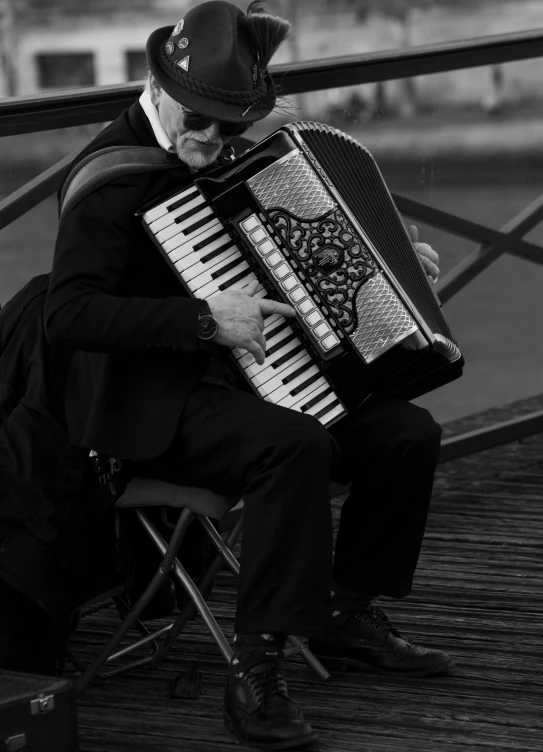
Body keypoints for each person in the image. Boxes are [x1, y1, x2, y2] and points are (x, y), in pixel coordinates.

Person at [43, 1, 452, 749]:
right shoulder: (109, 177)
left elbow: (301, 264)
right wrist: (203, 320)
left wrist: (395, 271)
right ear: (158, 86)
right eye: (196, 120)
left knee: (405, 432)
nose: (209, 139)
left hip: (265, 377)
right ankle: (255, 670)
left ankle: (343, 611)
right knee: (290, 446)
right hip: (153, 403)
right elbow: (67, 315)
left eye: (227, 125)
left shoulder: (247, 152)